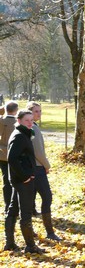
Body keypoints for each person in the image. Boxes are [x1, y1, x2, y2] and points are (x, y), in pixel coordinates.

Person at [5, 110, 45, 253]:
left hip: (19, 180)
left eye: (31, 120)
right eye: (27, 120)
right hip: (22, 181)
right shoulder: (19, 136)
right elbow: (12, 158)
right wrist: (25, 176)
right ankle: (30, 246)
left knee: (13, 209)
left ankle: (9, 243)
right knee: (25, 212)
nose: (30, 123)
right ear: (19, 120)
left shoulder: (22, 133)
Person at [27, 102, 61, 241]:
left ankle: (32, 231)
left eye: (40, 111)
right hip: (38, 168)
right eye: (36, 111)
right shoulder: (32, 128)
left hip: (34, 168)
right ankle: (49, 231)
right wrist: (47, 165)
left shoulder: (33, 127)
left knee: (31, 199)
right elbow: (38, 151)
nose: (39, 114)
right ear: (29, 113)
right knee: (46, 197)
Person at [0, 101, 19, 213]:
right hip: (15, 155)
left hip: (2, 154)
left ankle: (8, 205)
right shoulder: (18, 122)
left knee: (6, 180)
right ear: (16, 110)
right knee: (15, 181)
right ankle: (15, 204)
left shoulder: (1, 120)